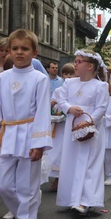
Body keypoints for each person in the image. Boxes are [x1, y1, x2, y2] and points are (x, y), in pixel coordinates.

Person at [0, 29, 51, 219]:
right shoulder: (2, 78)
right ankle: (26, 215)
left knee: (27, 187)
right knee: (1, 185)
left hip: (30, 133)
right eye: (15, 48)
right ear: (8, 51)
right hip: (7, 134)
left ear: (34, 52)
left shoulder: (40, 78)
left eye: (25, 48)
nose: (19, 52)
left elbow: (42, 111)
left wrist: (39, 143)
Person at [55, 50, 109, 213]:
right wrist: (69, 108)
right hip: (72, 126)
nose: (75, 64)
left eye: (79, 61)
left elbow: (101, 107)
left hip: (89, 128)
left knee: (88, 163)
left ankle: (86, 200)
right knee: (71, 161)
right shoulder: (70, 83)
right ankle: (70, 198)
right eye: (75, 61)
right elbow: (60, 98)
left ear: (90, 66)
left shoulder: (100, 86)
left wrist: (89, 121)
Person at [48, 63, 75, 192]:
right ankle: (57, 178)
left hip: (70, 125)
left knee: (69, 151)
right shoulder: (58, 91)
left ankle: (68, 179)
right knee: (58, 151)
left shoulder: (75, 90)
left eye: (71, 74)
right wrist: (52, 105)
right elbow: (52, 107)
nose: (68, 77)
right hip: (59, 127)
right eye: (65, 74)